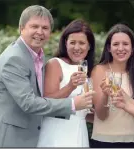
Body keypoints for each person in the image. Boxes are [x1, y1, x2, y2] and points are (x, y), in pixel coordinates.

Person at [0, 5, 94, 147]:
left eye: (45, 28)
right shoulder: (13, 59)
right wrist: (72, 104)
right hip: (6, 139)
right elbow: (28, 103)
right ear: (21, 28)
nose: (40, 32)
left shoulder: (38, 56)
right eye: (34, 26)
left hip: (29, 139)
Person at [36, 19, 95, 147]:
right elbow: (46, 102)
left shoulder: (88, 70)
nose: (77, 47)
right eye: (72, 42)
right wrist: (70, 86)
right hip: (57, 134)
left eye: (82, 43)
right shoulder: (55, 64)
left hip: (79, 132)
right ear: (65, 43)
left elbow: (82, 113)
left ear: (89, 46)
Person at [90, 24, 134, 148]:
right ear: (109, 48)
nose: (120, 48)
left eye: (125, 44)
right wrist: (105, 95)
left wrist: (125, 98)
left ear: (132, 48)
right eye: (116, 44)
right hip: (104, 141)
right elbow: (101, 115)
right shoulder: (99, 70)